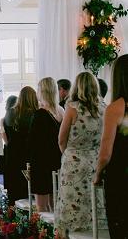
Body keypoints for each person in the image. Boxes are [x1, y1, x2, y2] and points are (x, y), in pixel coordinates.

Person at [55, 72, 106, 237]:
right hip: (96, 160)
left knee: (71, 202)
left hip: (74, 162)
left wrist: (70, 154)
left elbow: (61, 139)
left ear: (77, 86)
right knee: (93, 199)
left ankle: (72, 235)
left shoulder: (72, 108)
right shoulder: (104, 108)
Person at [94, 54, 128, 238]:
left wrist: (97, 174)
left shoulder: (115, 108)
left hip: (120, 177)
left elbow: (105, 153)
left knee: (120, 227)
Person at [28, 77, 64, 212]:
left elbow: (32, 142)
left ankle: (42, 232)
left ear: (42, 91)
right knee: (54, 203)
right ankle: (55, 231)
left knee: (41, 207)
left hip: (41, 162)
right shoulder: (61, 111)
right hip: (57, 160)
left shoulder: (40, 114)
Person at [3, 86, 38, 205]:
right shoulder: (33, 114)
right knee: (25, 183)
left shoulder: (10, 112)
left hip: (12, 150)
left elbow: (7, 131)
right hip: (26, 151)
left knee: (14, 183)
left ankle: (12, 209)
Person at [0, 95, 18, 174]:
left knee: (10, 170)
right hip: (17, 145)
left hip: (9, 145)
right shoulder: (17, 118)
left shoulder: (3, 119)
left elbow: (3, 133)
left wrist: (7, 144)